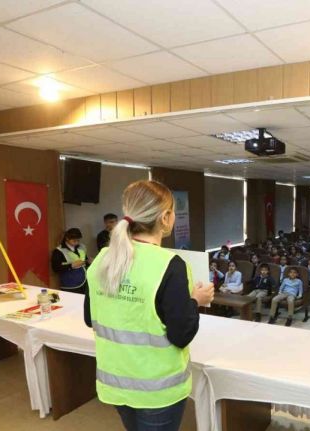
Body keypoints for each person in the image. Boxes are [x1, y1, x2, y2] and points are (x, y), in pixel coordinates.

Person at [84, 180, 214, 431]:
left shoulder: (102, 258)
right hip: (157, 390)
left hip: (115, 381)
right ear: (165, 218)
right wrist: (196, 301)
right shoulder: (170, 265)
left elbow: (91, 318)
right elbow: (181, 334)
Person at [51, 228, 90, 294]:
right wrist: (71, 266)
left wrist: (89, 261)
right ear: (67, 238)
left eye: (78, 240)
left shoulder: (81, 247)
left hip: (84, 282)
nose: (76, 243)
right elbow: (55, 268)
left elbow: (85, 260)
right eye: (74, 241)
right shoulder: (58, 251)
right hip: (70, 285)